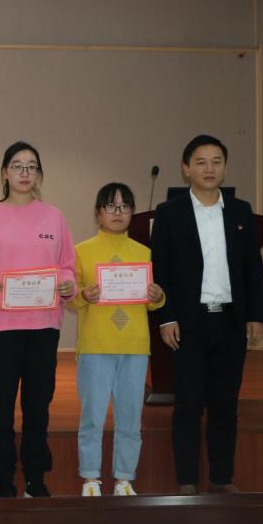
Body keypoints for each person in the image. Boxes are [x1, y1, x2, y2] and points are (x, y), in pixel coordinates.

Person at [152, 134, 263, 494]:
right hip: (189, 323)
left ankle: (222, 479)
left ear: (225, 168)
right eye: (200, 162)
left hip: (230, 321)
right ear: (186, 169)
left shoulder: (240, 211)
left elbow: (253, 268)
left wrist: (257, 314)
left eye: (217, 161)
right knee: (187, 404)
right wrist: (166, 317)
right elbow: (160, 269)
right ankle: (186, 480)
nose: (209, 168)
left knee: (225, 405)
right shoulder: (169, 213)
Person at [0, 141, 76, 498]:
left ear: (39, 174)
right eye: (17, 165)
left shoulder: (55, 217)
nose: (24, 173)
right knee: (0, 408)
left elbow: (68, 266)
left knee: (37, 407)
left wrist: (67, 284)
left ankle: (35, 479)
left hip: (42, 326)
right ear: (5, 173)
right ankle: (4, 480)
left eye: (31, 167)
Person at [69, 183, 165, 497]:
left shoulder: (144, 252)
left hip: (134, 346)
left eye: (124, 207)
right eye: (111, 206)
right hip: (96, 346)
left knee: (130, 418)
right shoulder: (82, 251)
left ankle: (124, 478)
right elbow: (71, 297)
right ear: (98, 213)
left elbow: (150, 302)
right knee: (92, 417)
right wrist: (83, 295)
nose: (118, 212)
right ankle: (90, 478)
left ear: (132, 213)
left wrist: (158, 297)